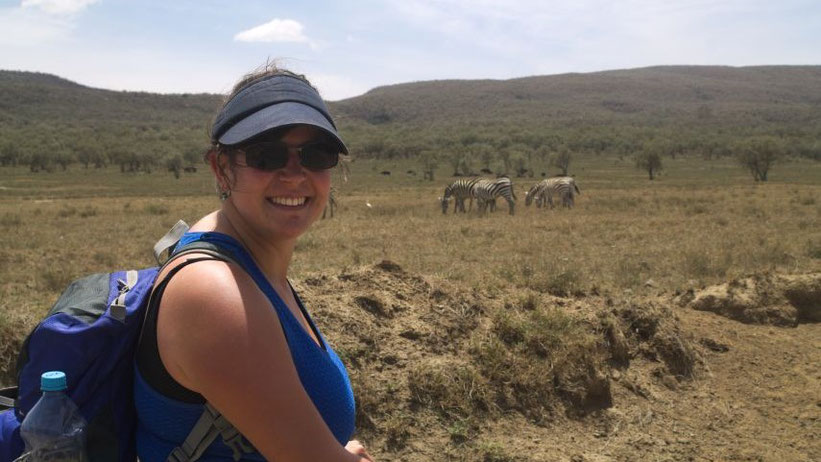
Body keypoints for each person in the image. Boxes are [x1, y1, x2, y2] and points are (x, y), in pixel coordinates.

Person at [134, 64, 374, 461]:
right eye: (267, 154)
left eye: (317, 154)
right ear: (222, 167)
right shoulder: (214, 293)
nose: (295, 175)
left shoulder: (254, 264)